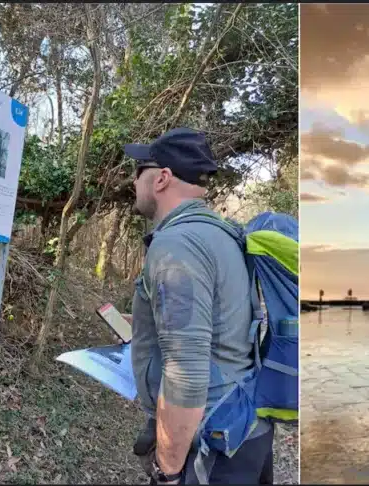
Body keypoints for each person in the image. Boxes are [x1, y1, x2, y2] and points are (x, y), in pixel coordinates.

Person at [125, 127, 275, 484]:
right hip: (245, 427)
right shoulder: (223, 234)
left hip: (212, 444)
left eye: (137, 173)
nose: (132, 182)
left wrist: (168, 471)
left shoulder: (178, 245)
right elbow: (222, 325)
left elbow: (187, 374)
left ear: (161, 178)